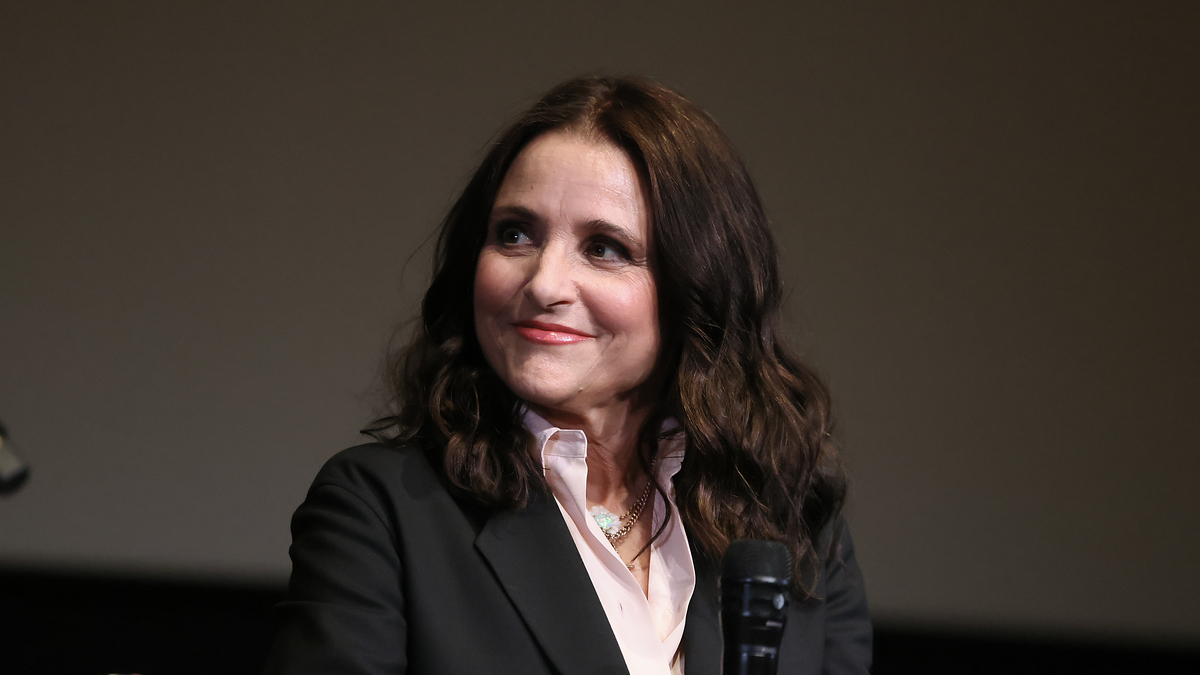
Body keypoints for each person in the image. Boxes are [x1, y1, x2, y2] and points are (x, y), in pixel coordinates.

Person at [264, 76, 871, 675]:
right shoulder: (381, 511)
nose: (544, 283)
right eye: (515, 234)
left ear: (699, 287)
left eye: (604, 248)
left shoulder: (798, 530)